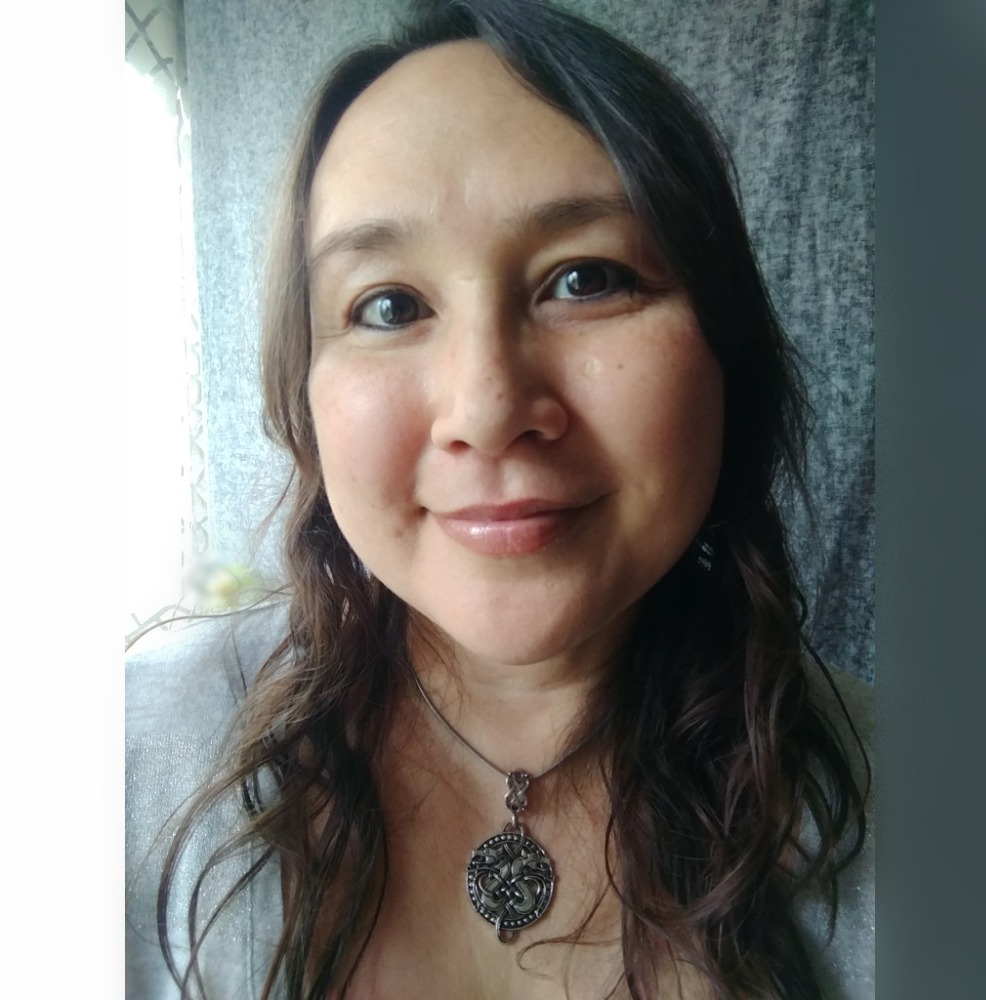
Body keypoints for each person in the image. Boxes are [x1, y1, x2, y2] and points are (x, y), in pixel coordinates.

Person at [125, 1, 873, 998]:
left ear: (724, 351)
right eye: (388, 305)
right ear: (302, 394)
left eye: (585, 279)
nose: (486, 410)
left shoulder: (927, 799)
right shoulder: (118, 765)